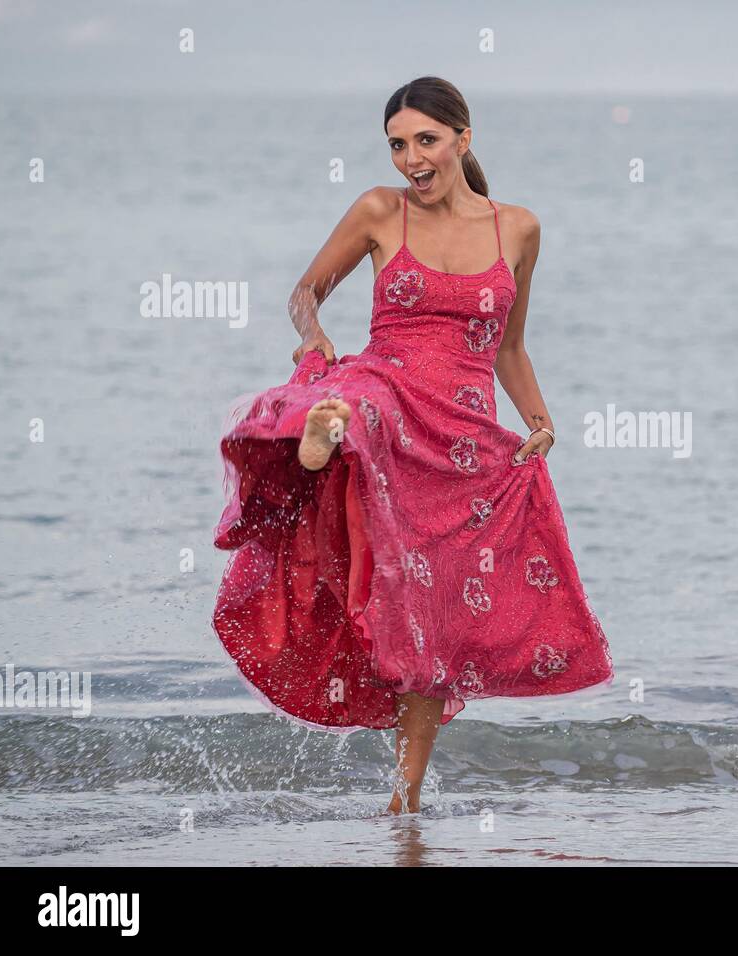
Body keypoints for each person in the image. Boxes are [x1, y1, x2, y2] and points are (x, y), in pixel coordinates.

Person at [211, 76, 614, 815]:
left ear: (463, 137)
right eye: (397, 145)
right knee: (357, 404)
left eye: (424, 141)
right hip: (385, 388)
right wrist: (314, 335)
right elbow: (305, 292)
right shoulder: (377, 210)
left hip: (459, 441)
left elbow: (510, 350)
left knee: (429, 621)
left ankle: (405, 800)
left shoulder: (518, 229)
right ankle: (322, 438)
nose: (410, 159)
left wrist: (541, 422)